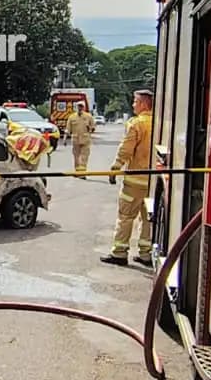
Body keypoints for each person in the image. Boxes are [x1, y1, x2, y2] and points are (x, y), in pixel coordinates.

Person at [101, 89, 155, 267]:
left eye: (135, 102)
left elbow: (126, 148)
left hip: (134, 181)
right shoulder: (160, 122)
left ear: (143, 104)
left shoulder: (136, 124)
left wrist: (115, 167)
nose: (133, 105)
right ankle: (146, 254)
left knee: (125, 217)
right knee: (147, 219)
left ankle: (119, 252)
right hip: (153, 182)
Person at [64, 102, 95, 174]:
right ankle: (77, 172)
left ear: (83, 107)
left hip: (85, 140)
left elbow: (93, 128)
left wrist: (90, 128)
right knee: (76, 157)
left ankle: (82, 172)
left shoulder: (88, 116)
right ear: (76, 107)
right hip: (75, 141)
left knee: (84, 157)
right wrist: (65, 139)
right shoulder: (71, 117)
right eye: (79, 106)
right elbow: (67, 129)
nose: (80, 108)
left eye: (81, 106)